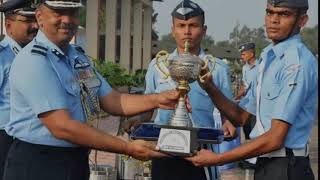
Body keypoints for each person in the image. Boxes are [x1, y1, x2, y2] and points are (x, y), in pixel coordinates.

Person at [2, 1, 180, 180]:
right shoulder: (35, 61)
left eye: (72, 13)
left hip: (75, 159)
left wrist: (159, 99)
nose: (67, 20)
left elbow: (112, 100)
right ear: (39, 17)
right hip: (39, 164)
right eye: (59, 12)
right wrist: (127, 148)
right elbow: (62, 127)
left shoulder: (77, 57)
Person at [187, 0, 318, 179]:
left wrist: (219, 158)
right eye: (270, 13)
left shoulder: (296, 63)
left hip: (286, 166)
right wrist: (209, 87)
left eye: (284, 14)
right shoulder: (269, 59)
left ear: (302, 20)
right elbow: (241, 117)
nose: (273, 20)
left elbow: (275, 138)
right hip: (266, 164)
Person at [124, 1, 237, 180]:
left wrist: (227, 124)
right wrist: (137, 119)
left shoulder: (217, 67)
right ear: (173, 29)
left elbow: (228, 112)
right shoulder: (158, 65)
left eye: (193, 25)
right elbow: (148, 109)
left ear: (204, 29)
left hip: (201, 153)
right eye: (181, 26)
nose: (187, 32)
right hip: (163, 150)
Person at [0, 0, 38, 179]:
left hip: (30, 140)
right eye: (27, 20)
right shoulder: (3, 57)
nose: (35, 26)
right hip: (4, 138)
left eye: (35, 19)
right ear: (9, 25)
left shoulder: (36, 54)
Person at [234, 42, 259, 169]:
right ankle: (251, 158)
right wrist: (235, 98)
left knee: (256, 132)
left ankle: (255, 160)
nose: (242, 57)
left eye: (243, 54)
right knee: (247, 131)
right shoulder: (244, 68)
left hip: (258, 106)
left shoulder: (261, 66)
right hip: (247, 105)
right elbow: (244, 87)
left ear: (251, 53)